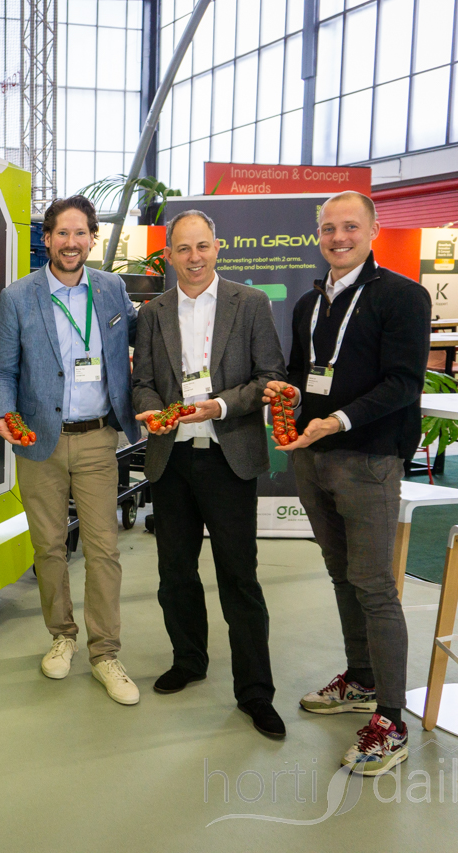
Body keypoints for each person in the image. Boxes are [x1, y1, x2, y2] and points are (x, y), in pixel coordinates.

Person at [263, 191, 430, 775]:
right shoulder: (310, 303)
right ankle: (361, 679)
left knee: (374, 586)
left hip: (368, 459)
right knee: (342, 575)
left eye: (350, 226)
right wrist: (285, 394)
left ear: (374, 230)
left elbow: (404, 383)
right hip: (312, 458)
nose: (339, 237)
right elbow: (301, 372)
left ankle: (392, 720)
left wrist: (338, 420)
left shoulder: (403, 296)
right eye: (329, 228)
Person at [131, 209, 288, 738]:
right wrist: (152, 409)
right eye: (183, 248)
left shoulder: (251, 303)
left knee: (239, 578)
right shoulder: (153, 313)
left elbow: (270, 376)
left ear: (217, 248)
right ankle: (189, 660)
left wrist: (219, 406)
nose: (194, 257)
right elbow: (143, 381)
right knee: (175, 572)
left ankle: (256, 692)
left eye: (202, 246)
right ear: (168, 255)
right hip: (171, 458)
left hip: (228, 456)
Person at [0, 195, 142, 705]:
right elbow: (4, 370)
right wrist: (3, 412)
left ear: (92, 238)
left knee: (103, 549)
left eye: (80, 233)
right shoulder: (18, 296)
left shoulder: (113, 288)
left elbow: (143, 342)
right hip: (39, 440)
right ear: (47, 238)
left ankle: (105, 653)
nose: (71, 243)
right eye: (61, 233)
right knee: (49, 547)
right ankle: (62, 636)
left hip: (98, 437)